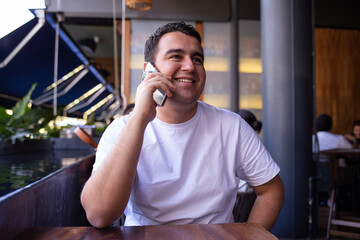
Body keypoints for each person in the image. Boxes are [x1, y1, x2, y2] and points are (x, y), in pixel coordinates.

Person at [80, 22, 284, 230]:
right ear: (148, 70)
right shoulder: (122, 128)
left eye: (197, 59)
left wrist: (248, 237)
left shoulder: (231, 126)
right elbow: (99, 214)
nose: (189, 66)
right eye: (176, 56)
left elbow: (271, 189)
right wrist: (139, 118)